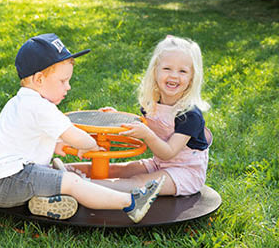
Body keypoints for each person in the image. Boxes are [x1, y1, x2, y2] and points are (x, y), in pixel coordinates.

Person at [0, 33, 165, 223]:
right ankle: (131, 203)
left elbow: (31, 138)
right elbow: (78, 138)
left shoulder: (20, 101)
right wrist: (90, 144)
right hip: (7, 182)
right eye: (63, 81)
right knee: (73, 182)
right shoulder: (40, 107)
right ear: (39, 79)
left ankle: (44, 201)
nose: (69, 87)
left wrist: (58, 145)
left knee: (57, 172)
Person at [60, 35, 212, 197]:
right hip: (159, 164)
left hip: (185, 172)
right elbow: (144, 126)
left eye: (182, 71)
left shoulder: (189, 115)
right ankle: (60, 171)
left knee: (139, 182)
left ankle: (80, 187)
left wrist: (147, 135)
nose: (174, 75)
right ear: (155, 71)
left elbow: (168, 152)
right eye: (167, 69)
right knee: (121, 169)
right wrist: (115, 119)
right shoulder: (152, 104)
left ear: (191, 78)